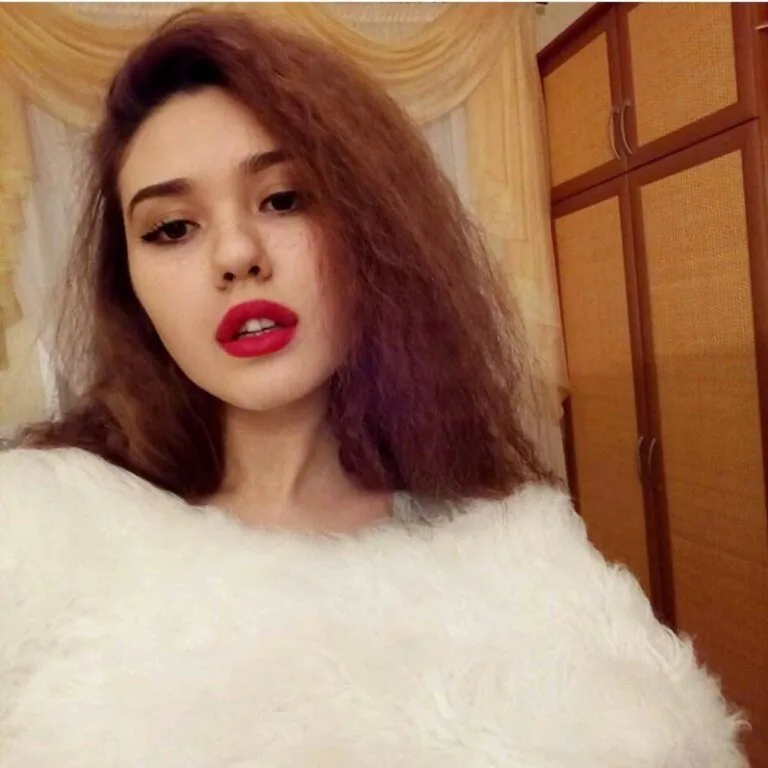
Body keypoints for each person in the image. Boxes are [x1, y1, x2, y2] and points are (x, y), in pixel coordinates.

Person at [0, 9, 748, 767]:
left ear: (372, 230)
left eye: (283, 199)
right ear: (130, 288)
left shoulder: (519, 565)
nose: (236, 254)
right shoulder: (37, 534)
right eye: (171, 229)